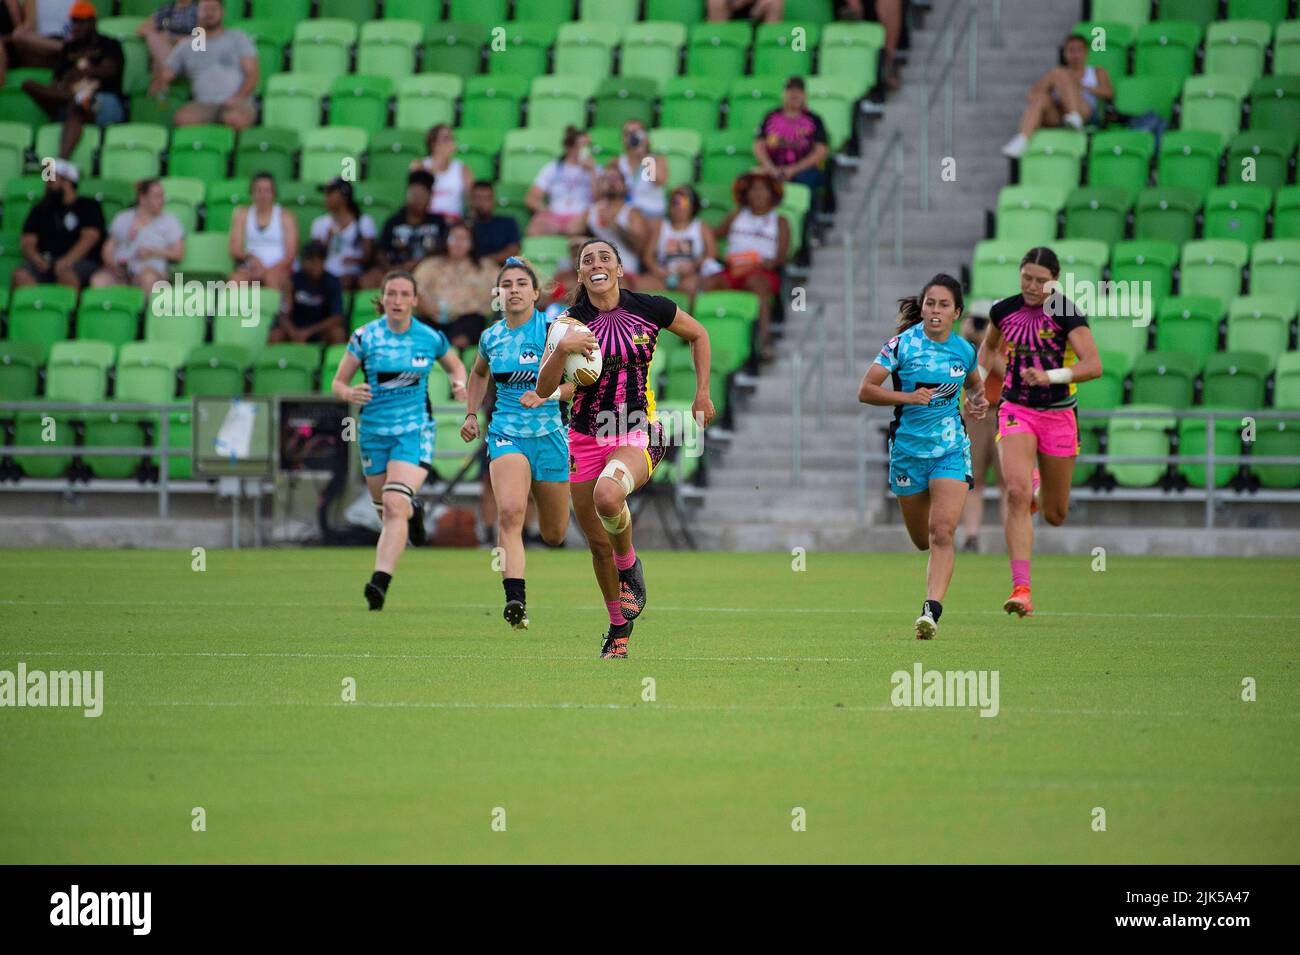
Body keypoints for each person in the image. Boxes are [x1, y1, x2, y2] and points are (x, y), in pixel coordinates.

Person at [536, 239, 715, 659]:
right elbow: (544, 389)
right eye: (587, 261)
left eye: (604, 258)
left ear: (619, 268)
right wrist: (560, 350)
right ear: (579, 275)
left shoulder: (651, 307)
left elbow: (699, 334)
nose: (596, 265)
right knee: (597, 543)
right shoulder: (566, 325)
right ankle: (618, 629)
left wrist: (702, 393)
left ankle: (630, 566)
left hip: (637, 430)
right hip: (583, 436)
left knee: (608, 495)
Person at [858, 274, 988, 640]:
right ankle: (931, 581)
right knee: (921, 540)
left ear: (956, 312)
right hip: (907, 453)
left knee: (942, 531)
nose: (935, 310)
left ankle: (931, 611)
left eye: (943, 305)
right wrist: (907, 398)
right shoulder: (900, 345)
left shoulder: (964, 350)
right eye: (930, 303)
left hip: (950, 450)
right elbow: (865, 390)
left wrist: (978, 403)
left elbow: (975, 388)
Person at [330, 270, 468, 611]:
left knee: (393, 504)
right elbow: (338, 382)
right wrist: (349, 391)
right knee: (386, 511)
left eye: (404, 294)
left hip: (414, 431)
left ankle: (379, 583)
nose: (397, 300)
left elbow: (455, 366)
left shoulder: (429, 338)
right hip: (374, 433)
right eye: (391, 293)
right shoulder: (365, 337)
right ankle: (413, 510)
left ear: (414, 300)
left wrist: (459, 384)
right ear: (383, 298)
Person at [978, 247, 1103, 617]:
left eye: (1039, 279)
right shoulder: (1004, 310)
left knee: (1055, 513)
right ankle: (1022, 590)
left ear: (1054, 281)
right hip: (1017, 408)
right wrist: (978, 390)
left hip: (1059, 413)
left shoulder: (1065, 312)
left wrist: (1051, 376)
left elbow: (1093, 365)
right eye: (1026, 277)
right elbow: (987, 350)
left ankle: (1039, 491)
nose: (1031, 286)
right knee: (1014, 492)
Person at [461, 255, 575, 631]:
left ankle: (540, 549)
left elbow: (581, 381)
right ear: (499, 293)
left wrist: (548, 395)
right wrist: (471, 414)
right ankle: (515, 600)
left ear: (535, 293)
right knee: (510, 512)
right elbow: (478, 375)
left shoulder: (554, 332)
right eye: (506, 285)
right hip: (506, 433)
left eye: (521, 284)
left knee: (555, 534)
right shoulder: (491, 337)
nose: (513, 290)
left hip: (551, 436)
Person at [21, 2, 125, 161]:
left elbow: (110, 69)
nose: (76, 26)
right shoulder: (69, 49)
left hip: (103, 103)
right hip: (68, 100)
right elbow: (55, 82)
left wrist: (82, 73)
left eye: (81, 21)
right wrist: (66, 85)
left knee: (79, 101)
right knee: (28, 84)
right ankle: (72, 97)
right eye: (74, 21)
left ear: (93, 22)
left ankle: (61, 161)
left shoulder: (109, 44)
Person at [704, 172, 790, 360]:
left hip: (761, 271)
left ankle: (764, 343)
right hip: (732, 269)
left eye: (763, 189)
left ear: (771, 194)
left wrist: (768, 262)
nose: (758, 194)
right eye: (753, 189)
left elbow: (782, 257)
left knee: (756, 284)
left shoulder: (780, 221)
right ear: (746, 194)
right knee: (706, 284)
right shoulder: (737, 215)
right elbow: (714, 233)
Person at [149, 0, 257, 131]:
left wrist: (238, 98)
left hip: (237, 101)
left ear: (222, 12)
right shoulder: (186, 45)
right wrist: (161, 80)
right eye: (205, 9)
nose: (209, 13)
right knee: (182, 118)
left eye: (213, 9)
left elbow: (252, 75)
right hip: (203, 104)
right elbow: (167, 73)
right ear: (196, 13)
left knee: (235, 119)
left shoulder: (238, 38)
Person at [1002, 34, 1113, 159]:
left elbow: (1108, 92)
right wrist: (1055, 93)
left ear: (1086, 52)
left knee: (1060, 75)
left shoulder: (1097, 72)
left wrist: (1081, 87)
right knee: (1041, 98)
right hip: (1059, 115)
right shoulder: (1056, 74)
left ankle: (1075, 115)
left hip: (1086, 112)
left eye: (1078, 50)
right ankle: (1023, 138)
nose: (1075, 55)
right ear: (1065, 53)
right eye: (1071, 50)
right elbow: (1031, 95)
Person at [14, 158, 102, 291]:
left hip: (77, 262)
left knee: (67, 276)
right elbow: (28, 240)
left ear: (67, 182)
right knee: (20, 275)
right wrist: (36, 258)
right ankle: (36, 309)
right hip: (45, 261)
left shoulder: (88, 206)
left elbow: (90, 237)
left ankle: (67, 311)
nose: (47, 185)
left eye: (51, 180)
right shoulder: (40, 209)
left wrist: (67, 260)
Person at [959, 311, 1005, 552]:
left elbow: (1009, 374)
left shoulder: (1005, 343)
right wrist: (972, 344)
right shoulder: (963, 347)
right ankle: (971, 536)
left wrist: (988, 347)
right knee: (972, 479)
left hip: (1001, 411)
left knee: (1007, 481)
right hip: (975, 413)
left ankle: (1012, 535)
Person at [90, 178, 184, 293]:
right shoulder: (123, 217)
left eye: (162, 196)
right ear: (143, 198)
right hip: (122, 270)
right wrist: (113, 266)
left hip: (151, 270)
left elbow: (178, 253)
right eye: (157, 196)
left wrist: (153, 252)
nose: (162, 200)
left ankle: (144, 311)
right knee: (98, 280)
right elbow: (108, 248)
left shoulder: (170, 220)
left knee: (148, 278)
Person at [411, 222, 495, 349]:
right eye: (454, 238)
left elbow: (503, 285)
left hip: (465, 321)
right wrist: (424, 306)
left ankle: (452, 354)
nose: (458, 243)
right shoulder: (430, 264)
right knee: (414, 322)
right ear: (446, 241)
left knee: (475, 321)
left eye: (464, 239)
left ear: (472, 244)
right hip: (432, 319)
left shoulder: (485, 267)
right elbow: (414, 289)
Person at [361, 169, 448, 289]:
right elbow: (381, 251)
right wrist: (390, 268)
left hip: (426, 271)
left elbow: (442, 250)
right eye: (414, 194)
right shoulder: (393, 222)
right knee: (368, 280)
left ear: (429, 198)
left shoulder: (438, 222)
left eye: (422, 195)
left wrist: (417, 264)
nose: (417, 200)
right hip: (394, 269)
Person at [228, 171, 298, 305]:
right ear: (252, 193)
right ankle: (233, 322)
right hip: (251, 266)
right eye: (258, 190)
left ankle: (276, 322)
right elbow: (234, 248)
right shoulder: (241, 214)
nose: (263, 195)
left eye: (267, 190)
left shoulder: (286, 216)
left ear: (273, 193)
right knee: (234, 281)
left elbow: (290, 255)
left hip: (279, 268)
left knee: (271, 279)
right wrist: (251, 258)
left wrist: (267, 271)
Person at [641, 185, 723, 298]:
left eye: (683, 202)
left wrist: (693, 266)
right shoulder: (660, 226)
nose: (678, 206)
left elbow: (712, 254)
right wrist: (659, 271)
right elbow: (648, 256)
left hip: (692, 274)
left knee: (690, 286)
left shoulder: (701, 226)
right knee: (641, 285)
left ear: (693, 206)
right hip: (663, 275)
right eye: (674, 202)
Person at [753, 77, 829, 195]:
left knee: (806, 179)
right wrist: (770, 168)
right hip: (772, 168)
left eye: (798, 91)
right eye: (790, 91)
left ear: (804, 95)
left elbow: (821, 151)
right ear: (783, 94)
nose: (794, 95)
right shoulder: (770, 116)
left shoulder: (814, 119)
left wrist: (793, 170)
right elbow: (758, 145)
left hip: (803, 170)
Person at [525, 126, 596, 237]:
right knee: (533, 229)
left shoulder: (595, 170)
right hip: (555, 216)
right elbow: (531, 198)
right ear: (569, 147)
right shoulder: (553, 168)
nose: (584, 150)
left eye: (587, 146)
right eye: (581, 146)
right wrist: (547, 212)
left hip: (581, 217)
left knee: (577, 227)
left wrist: (593, 172)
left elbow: (599, 200)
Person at [271, 241, 345, 345]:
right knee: (275, 335)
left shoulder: (332, 282)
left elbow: (337, 317)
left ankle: (336, 361)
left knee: (338, 333)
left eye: (318, 261)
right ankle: (277, 361)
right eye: (310, 261)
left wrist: (308, 332)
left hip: (319, 329)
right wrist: (293, 333)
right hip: (296, 327)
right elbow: (283, 315)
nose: (314, 266)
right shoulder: (292, 281)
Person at [585, 168, 649, 288]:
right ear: (600, 185)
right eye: (607, 179)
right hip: (594, 269)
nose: (611, 182)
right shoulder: (591, 211)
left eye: (616, 179)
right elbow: (570, 231)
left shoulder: (632, 213)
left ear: (625, 187)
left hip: (624, 270)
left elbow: (639, 248)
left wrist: (615, 225)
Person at [310, 177, 376, 292]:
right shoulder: (319, 223)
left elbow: (369, 257)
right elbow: (314, 257)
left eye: (330, 193)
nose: (326, 198)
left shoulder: (363, 221)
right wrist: (327, 240)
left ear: (344, 197)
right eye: (326, 194)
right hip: (326, 272)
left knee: (345, 281)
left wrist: (355, 260)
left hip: (352, 273)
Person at [409, 124, 474, 221]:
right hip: (427, 221)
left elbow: (471, 203)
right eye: (446, 138)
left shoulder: (463, 169)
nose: (452, 142)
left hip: (453, 222)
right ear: (433, 144)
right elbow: (414, 199)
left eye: (453, 138)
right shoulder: (419, 166)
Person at [607, 119, 667, 221]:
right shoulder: (617, 162)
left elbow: (657, 181)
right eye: (628, 134)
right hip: (626, 212)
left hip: (651, 211)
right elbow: (608, 188)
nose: (632, 137)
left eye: (636, 133)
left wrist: (644, 156)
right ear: (622, 139)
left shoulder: (657, 160)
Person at [468, 180, 521, 266]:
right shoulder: (465, 225)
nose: (483, 203)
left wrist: (490, 260)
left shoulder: (507, 223)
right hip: (469, 272)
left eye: (487, 198)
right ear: (471, 200)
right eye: (478, 198)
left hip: (500, 270)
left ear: (493, 200)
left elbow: (514, 250)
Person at [138, 0, 196, 75]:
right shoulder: (167, 10)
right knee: (152, 37)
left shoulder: (197, 11)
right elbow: (143, 29)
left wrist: (172, 39)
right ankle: (166, 72)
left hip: (184, 47)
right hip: (163, 46)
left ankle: (166, 72)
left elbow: (201, 37)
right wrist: (161, 38)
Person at [10, 0, 74, 68]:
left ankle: (68, 51)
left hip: (69, 38)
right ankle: (65, 49)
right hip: (43, 42)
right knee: (18, 35)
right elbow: (29, 26)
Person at [706, 0, 784, 24]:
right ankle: (719, 43)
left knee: (774, 3)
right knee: (715, 2)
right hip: (729, 6)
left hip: (757, 7)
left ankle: (767, 46)